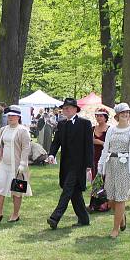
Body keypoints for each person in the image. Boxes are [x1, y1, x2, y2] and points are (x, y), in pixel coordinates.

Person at [46, 98, 94, 229]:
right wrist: (51, 154)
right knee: (74, 193)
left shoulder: (85, 124)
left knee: (67, 190)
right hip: (66, 164)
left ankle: (55, 217)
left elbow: (89, 145)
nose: (65, 110)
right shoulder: (61, 124)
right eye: (64, 108)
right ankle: (84, 219)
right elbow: (56, 142)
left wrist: (89, 165)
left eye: (68, 108)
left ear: (75, 109)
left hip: (79, 165)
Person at [98, 103, 130, 237]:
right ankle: (121, 218)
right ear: (117, 115)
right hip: (111, 165)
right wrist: (101, 165)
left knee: (121, 198)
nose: (125, 114)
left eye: (127, 112)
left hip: (125, 166)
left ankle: (115, 229)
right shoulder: (111, 130)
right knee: (111, 199)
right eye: (122, 112)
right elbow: (106, 149)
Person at [0, 106, 32, 222]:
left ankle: (15, 214)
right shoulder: (3, 129)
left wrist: (23, 164)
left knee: (17, 191)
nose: (11, 117)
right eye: (9, 115)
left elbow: (26, 148)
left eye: (13, 115)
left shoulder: (23, 130)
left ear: (18, 117)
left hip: (17, 166)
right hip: (4, 164)